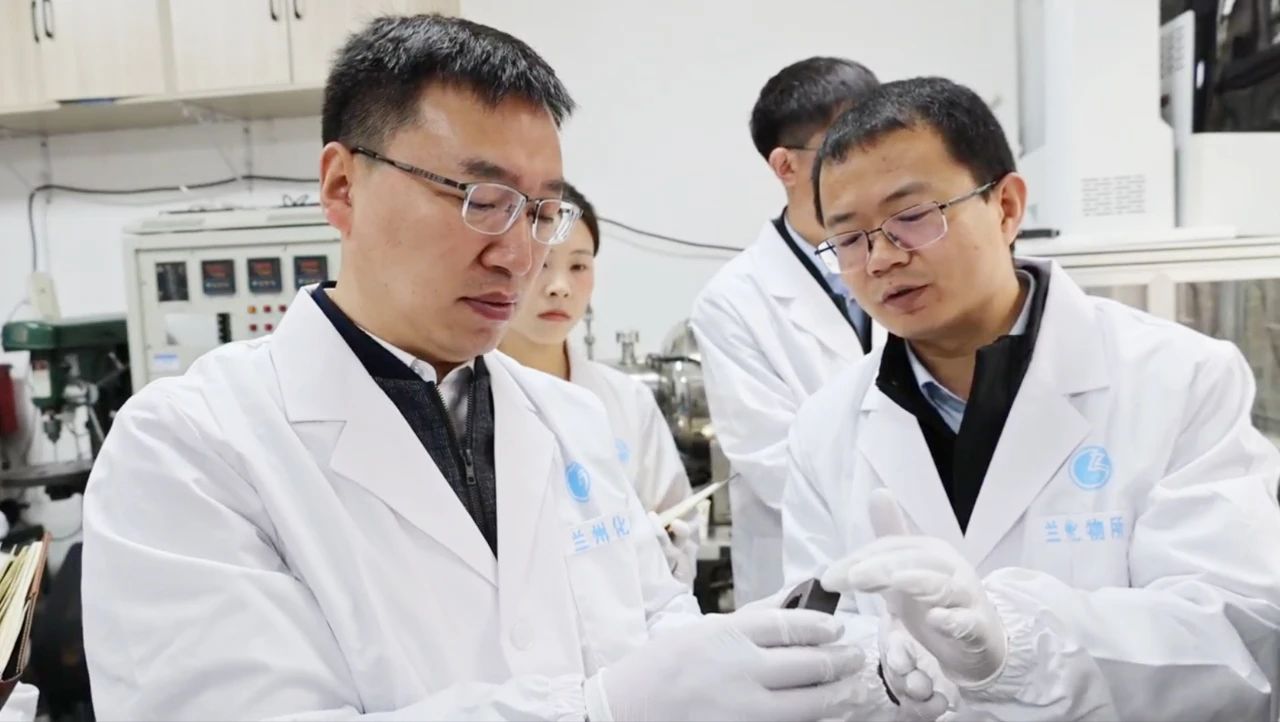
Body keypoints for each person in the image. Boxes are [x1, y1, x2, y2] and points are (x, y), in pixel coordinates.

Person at [79, 15, 869, 721]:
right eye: (482, 199)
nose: (520, 254)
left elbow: (660, 628)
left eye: (542, 211)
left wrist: (831, 671)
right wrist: (595, 710)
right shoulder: (190, 449)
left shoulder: (567, 419)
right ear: (342, 186)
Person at [784, 76, 1280, 720]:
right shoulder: (825, 426)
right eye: (850, 239)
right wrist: (883, 669)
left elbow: (1237, 639)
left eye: (911, 217)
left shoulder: (1181, 378)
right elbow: (819, 639)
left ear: (1006, 207)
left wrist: (1016, 645)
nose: (880, 260)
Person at [690, 57, 881, 606]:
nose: (871, 160)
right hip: (809, 571)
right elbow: (774, 461)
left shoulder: (902, 259)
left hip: (921, 549)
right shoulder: (733, 301)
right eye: (843, 145)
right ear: (786, 166)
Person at [499, 183, 699, 586]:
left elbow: (680, 527)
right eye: (542, 263)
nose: (560, 286)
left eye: (578, 266)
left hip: (635, 615)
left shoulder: (627, 401)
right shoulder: (467, 395)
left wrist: (658, 547)